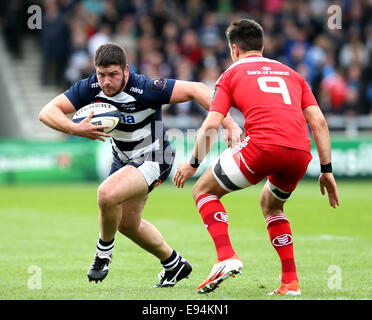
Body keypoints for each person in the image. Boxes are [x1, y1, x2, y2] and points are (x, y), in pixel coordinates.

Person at [39, 43, 242, 287]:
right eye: (101, 75)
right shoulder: (90, 86)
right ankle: (174, 264)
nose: (106, 82)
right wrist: (75, 128)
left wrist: (228, 123)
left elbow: (198, 89)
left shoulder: (145, 88)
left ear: (126, 70)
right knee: (127, 224)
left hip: (156, 157)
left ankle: (103, 253)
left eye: (113, 75)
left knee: (106, 194)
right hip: (124, 159)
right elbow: (47, 111)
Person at [173, 19, 340, 295]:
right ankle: (290, 282)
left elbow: (212, 123)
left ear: (234, 49)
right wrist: (327, 170)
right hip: (300, 152)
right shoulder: (293, 74)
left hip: (262, 146)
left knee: (203, 190)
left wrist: (192, 163)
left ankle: (226, 257)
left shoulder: (230, 74)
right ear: (261, 46)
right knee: (272, 205)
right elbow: (319, 122)